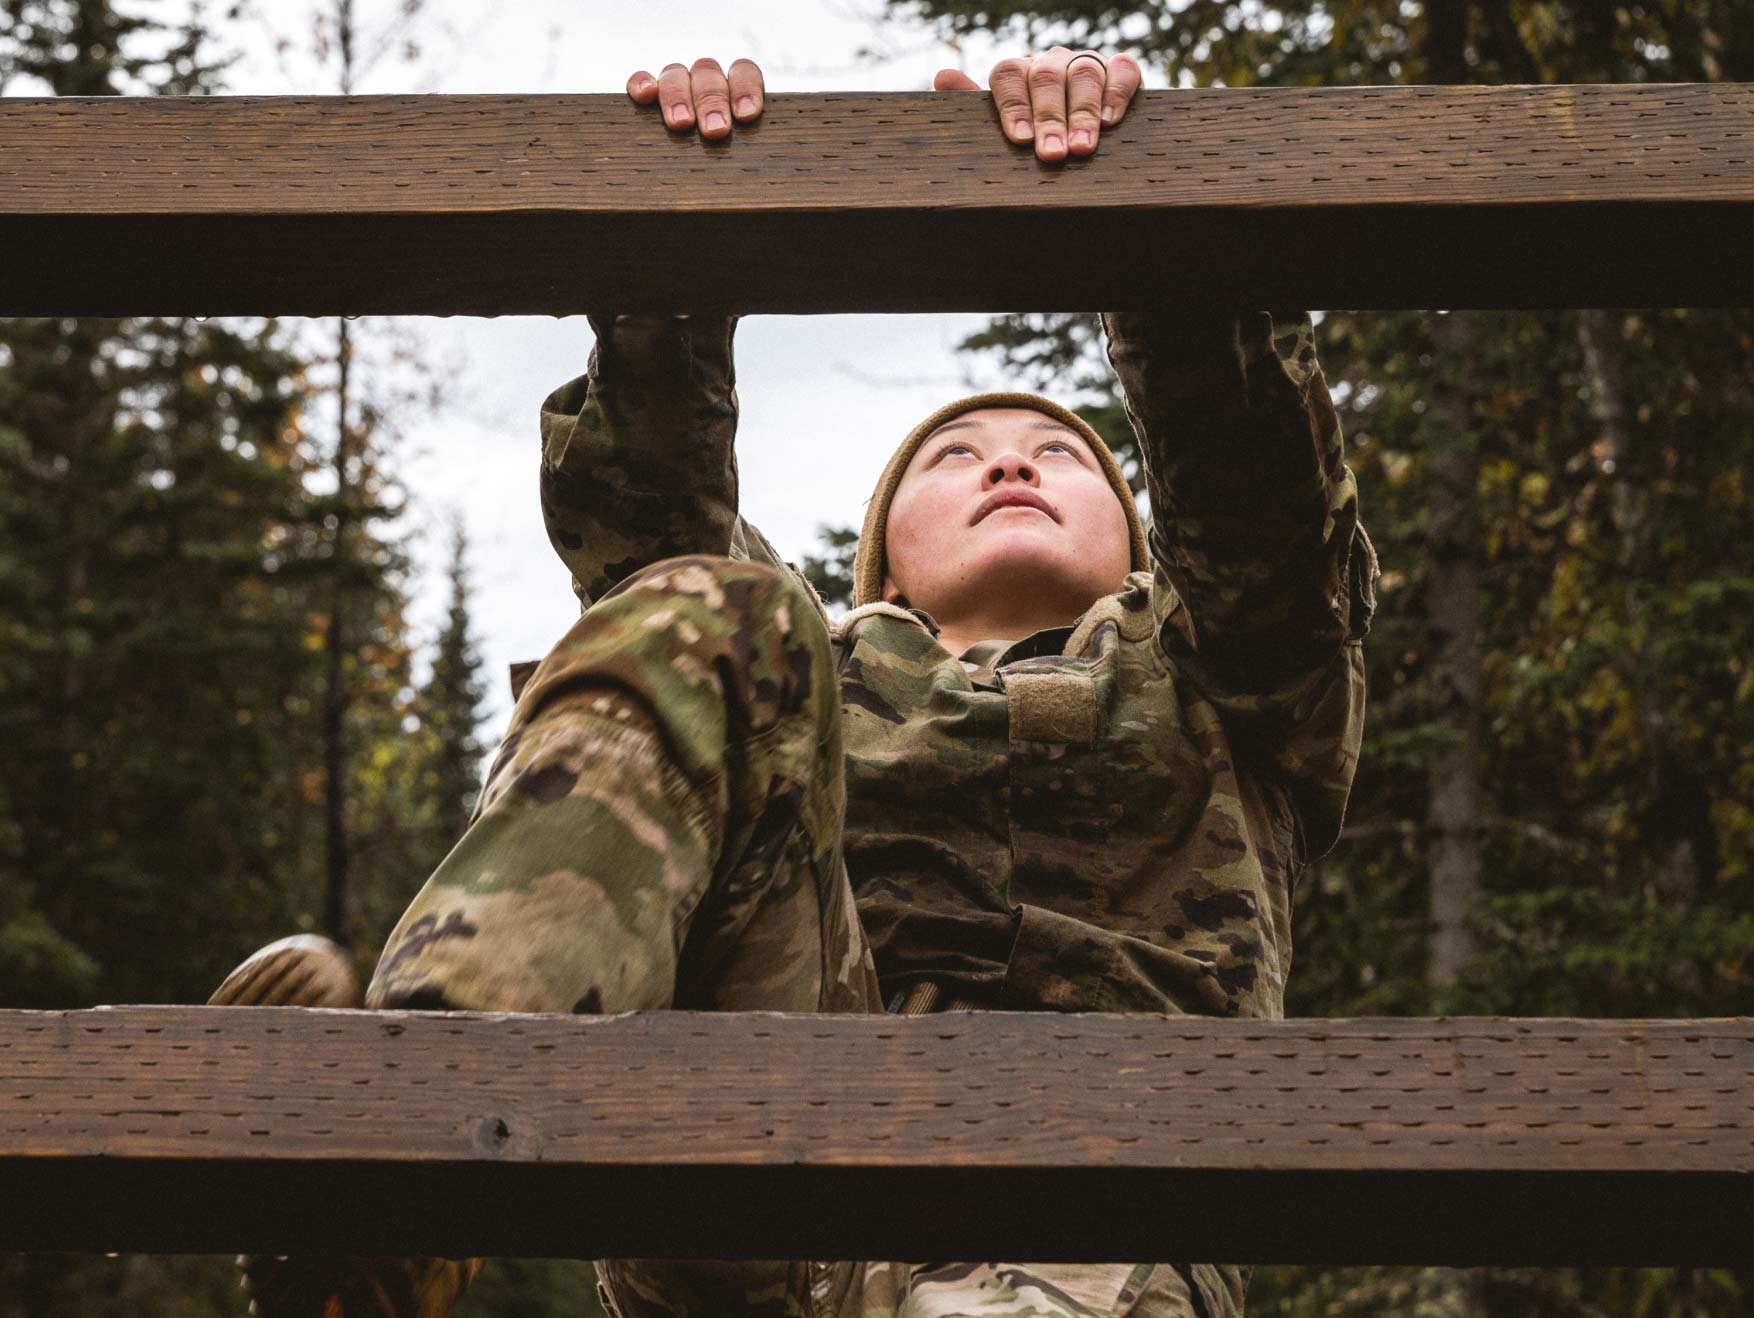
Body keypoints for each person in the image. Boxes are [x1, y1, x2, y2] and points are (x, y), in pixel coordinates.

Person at [212, 46, 1376, 1318]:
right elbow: (651, 534)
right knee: (708, 607)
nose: (1011, 463)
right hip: (779, 1199)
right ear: (879, 568)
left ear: (1139, 548)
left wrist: (1136, 184)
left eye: (1060, 450)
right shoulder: (814, 672)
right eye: (953, 456)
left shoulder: (1233, 687)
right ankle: (394, 1166)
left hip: (1110, 1232)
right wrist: (680, 228)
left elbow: (1259, 504)